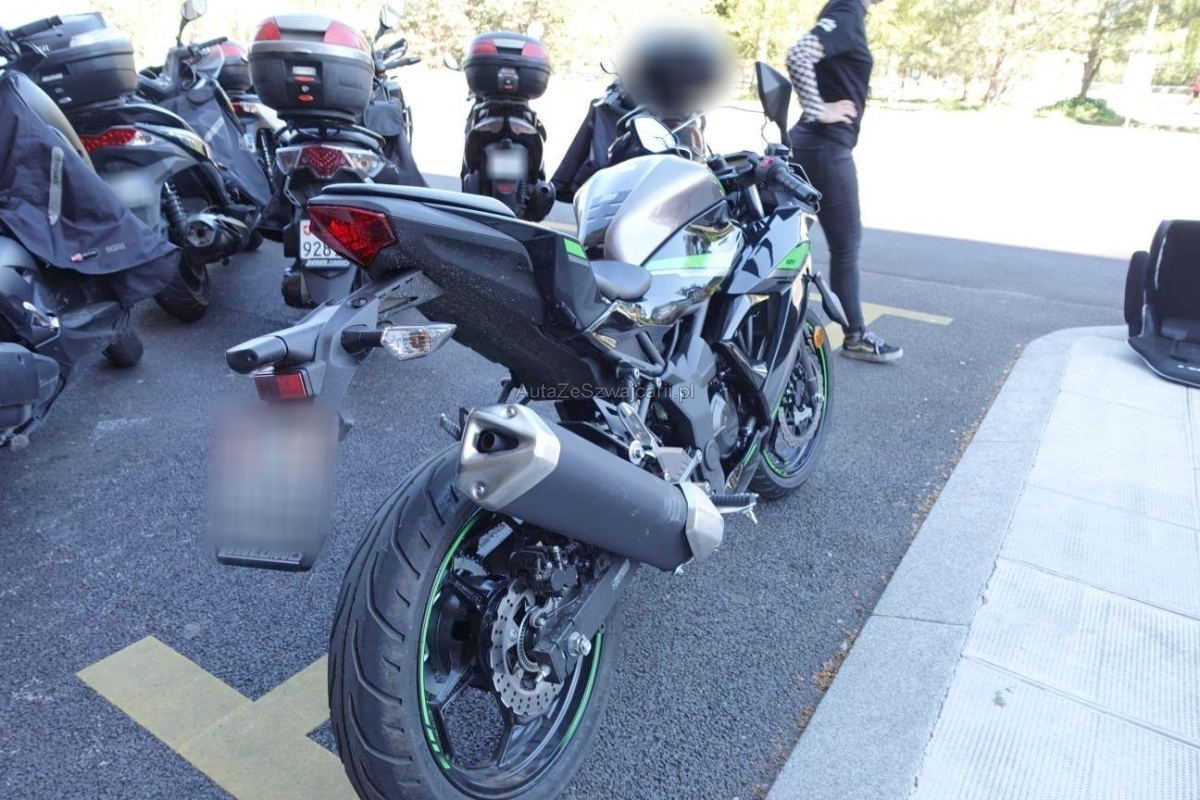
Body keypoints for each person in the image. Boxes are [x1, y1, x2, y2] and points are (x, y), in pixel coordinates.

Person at [785, 0, 901, 363]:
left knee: (784, 240)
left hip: (807, 144)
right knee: (846, 246)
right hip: (824, 148)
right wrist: (819, 109)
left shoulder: (843, 13)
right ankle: (856, 337)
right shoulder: (847, 12)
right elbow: (798, 55)